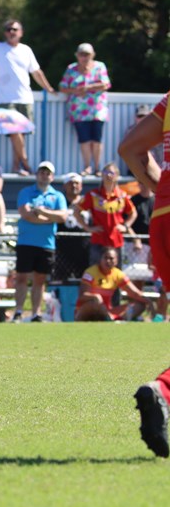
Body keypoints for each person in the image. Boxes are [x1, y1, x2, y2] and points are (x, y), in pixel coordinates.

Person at [119, 91, 170, 457]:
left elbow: (130, 149)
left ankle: (162, 392)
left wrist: (159, 189)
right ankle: (163, 391)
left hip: (164, 216)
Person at [0, 19, 57, 175]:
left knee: (20, 135)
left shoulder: (26, 50)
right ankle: (26, 163)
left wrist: (49, 88)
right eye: (8, 29)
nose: (11, 32)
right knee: (15, 132)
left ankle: (16, 166)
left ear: (21, 33)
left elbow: (37, 72)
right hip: (5, 98)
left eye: (14, 29)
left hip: (25, 97)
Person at [13, 161, 68, 322]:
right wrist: (50, 218)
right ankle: (18, 311)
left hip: (46, 244)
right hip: (26, 242)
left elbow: (62, 217)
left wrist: (41, 212)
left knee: (39, 280)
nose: (44, 176)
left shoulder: (57, 196)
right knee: (22, 278)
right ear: (37, 175)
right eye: (42, 172)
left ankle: (36, 313)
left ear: (52, 177)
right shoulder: (26, 192)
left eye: (47, 173)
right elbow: (26, 214)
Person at [58, 43, 112, 177]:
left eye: (87, 54)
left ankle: (98, 167)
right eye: (81, 54)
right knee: (84, 139)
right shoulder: (71, 69)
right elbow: (63, 87)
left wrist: (88, 87)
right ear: (77, 55)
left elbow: (105, 84)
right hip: (78, 111)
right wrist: (75, 90)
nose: (84, 57)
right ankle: (87, 166)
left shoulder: (99, 66)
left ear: (92, 55)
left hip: (97, 110)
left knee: (97, 139)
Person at [79, 162, 136, 267]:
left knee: (116, 274)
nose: (108, 175)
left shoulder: (122, 196)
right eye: (105, 172)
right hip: (98, 240)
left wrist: (126, 226)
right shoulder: (93, 195)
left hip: (117, 241)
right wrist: (88, 228)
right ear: (102, 175)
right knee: (95, 273)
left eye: (112, 173)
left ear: (117, 176)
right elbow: (76, 211)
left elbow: (133, 213)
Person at [74, 248, 151, 322]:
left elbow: (135, 293)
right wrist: (95, 296)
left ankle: (120, 319)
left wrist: (149, 302)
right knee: (95, 303)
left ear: (116, 261)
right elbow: (82, 296)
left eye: (111, 258)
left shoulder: (118, 274)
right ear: (100, 259)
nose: (108, 261)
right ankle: (111, 319)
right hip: (87, 310)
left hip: (107, 311)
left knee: (140, 305)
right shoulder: (90, 273)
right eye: (105, 258)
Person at [53, 172, 91, 281]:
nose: (74, 186)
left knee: (84, 280)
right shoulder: (59, 202)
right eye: (70, 183)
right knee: (61, 280)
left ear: (81, 186)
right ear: (64, 186)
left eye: (76, 183)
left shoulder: (87, 201)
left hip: (84, 249)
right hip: (62, 250)